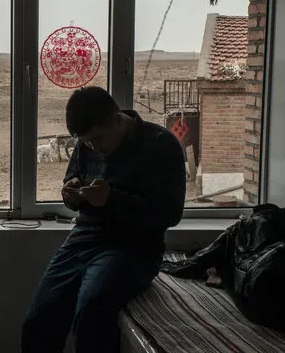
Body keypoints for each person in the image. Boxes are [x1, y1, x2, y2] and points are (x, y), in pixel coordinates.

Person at [21, 86, 186, 353]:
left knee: (91, 312)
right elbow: (72, 183)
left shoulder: (161, 144)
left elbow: (170, 214)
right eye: (85, 142)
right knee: (39, 320)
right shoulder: (87, 142)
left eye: (97, 139)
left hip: (134, 248)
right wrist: (71, 193)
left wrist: (112, 199)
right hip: (82, 241)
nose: (92, 147)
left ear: (117, 119)